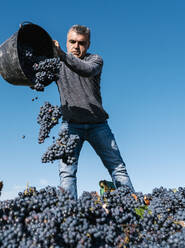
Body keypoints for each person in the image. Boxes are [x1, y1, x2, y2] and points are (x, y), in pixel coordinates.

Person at [53, 24, 134, 200]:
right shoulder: (56, 64)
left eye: (81, 43)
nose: (76, 46)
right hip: (70, 126)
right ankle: (68, 215)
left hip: (98, 125)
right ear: (66, 42)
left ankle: (133, 208)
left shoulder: (95, 60)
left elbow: (87, 70)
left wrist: (61, 55)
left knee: (117, 168)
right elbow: (37, 77)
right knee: (67, 173)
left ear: (88, 44)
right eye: (72, 42)